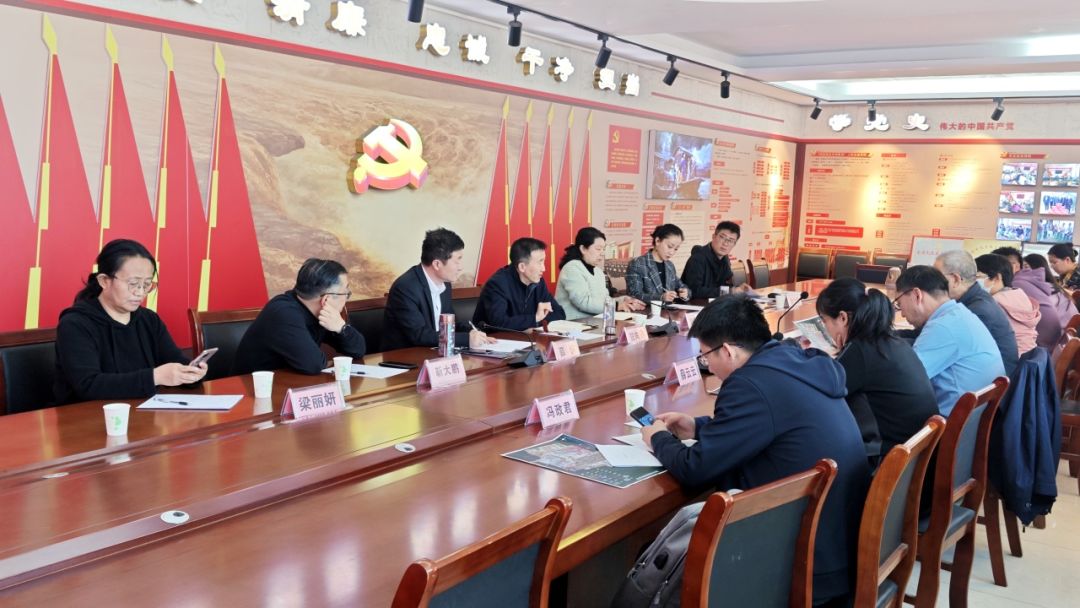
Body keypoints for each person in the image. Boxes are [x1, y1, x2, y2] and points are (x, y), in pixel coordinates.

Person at [642, 295, 869, 605]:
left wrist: (658, 438)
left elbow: (695, 469)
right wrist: (697, 427)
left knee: (660, 561)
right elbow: (770, 424)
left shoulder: (749, 384)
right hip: (838, 548)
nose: (707, 365)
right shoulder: (792, 361)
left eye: (705, 356)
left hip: (799, 566)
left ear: (727, 351)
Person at [54, 239, 207, 404]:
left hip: (143, 414)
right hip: (86, 416)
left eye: (147, 285)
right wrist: (154, 377)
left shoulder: (149, 320)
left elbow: (174, 360)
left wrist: (191, 373)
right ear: (104, 280)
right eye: (133, 283)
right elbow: (88, 385)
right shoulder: (75, 324)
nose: (140, 292)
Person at [816, 278, 938, 462]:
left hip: (888, 462)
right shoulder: (890, 341)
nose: (825, 329)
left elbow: (821, 393)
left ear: (842, 318)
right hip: (915, 458)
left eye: (824, 321)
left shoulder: (860, 350)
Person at [894, 266, 1004, 415]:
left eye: (899, 304)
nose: (902, 313)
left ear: (917, 295)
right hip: (970, 420)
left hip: (947, 424)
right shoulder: (959, 315)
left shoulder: (943, 327)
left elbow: (902, 381)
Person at [234, 258, 366, 375]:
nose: (346, 298)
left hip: (288, 384)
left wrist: (341, 328)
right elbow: (313, 365)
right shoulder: (283, 312)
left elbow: (358, 350)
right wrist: (326, 362)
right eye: (346, 293)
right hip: (252, 390)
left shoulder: (321, 313)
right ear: (326, 299)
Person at [381, 228, 494, 352]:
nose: (460, 267)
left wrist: (472, 331)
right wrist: (466, 339)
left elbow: (450, 324)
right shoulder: (405, 288)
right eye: (457, 261)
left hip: (436, 353)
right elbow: (419, 335)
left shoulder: (445, 284)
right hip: (405, 357)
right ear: (437, 264)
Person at [934, 250, 1018, 376]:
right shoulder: (976, 299)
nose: (932, 283)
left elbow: (939, 344)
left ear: (955, 279)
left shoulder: (977, 310)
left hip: (993, 382)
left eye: (936, 277)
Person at [472, 237, 565, 331]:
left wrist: (533, 322)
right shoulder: (498, 284)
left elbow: (560, 313)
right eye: (539, 262)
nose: (544, 268)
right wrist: (535, 318)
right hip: (492, 338)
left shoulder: (538, 281)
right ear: (522, 267)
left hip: (526, 338)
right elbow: (499, 323)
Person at [554, 227, 644, 320]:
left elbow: (603, 300)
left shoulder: (598, 271)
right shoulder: (572, 268)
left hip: (593, 322)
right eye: (598, 249)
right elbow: (583, 302)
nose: (602, 253)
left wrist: (622, 300)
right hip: (572, 324)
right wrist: (616, 305)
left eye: (603, 249)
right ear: (583, 249)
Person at [975, 254, 1040, 357]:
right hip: (1030, 357)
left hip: (1010, 360)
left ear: (997, 278)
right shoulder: (1019, 294)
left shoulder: (994, 303)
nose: (974, 282)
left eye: (977, 277)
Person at [1017, 253, 1078, 348]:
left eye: (1026, 267)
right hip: (1063, 338)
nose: (1021, 272)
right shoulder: (1052, 287)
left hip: (1056, 341)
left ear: (1039, 268)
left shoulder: (1044, 291)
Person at [680, 221, 751, 298]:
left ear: (734, 244)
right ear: (714, 236)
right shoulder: (697, 259)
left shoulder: (725, 258)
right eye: (722, 237)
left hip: (714, 303)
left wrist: (738, 288)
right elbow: (693, 291)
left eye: (730, 240)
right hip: (694, 304)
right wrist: (730, 291)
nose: (725, 243)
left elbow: (726, 284)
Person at [625, 224, 691, 303]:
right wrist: (661, 297)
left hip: (668, 310)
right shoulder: (637, 264)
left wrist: (685, 293)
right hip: (647, 310)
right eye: (670, 246)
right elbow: (634, 295)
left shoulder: (669, 265)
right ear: (657, 241)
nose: (672, 252)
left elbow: (683, 287)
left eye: (676, 249)